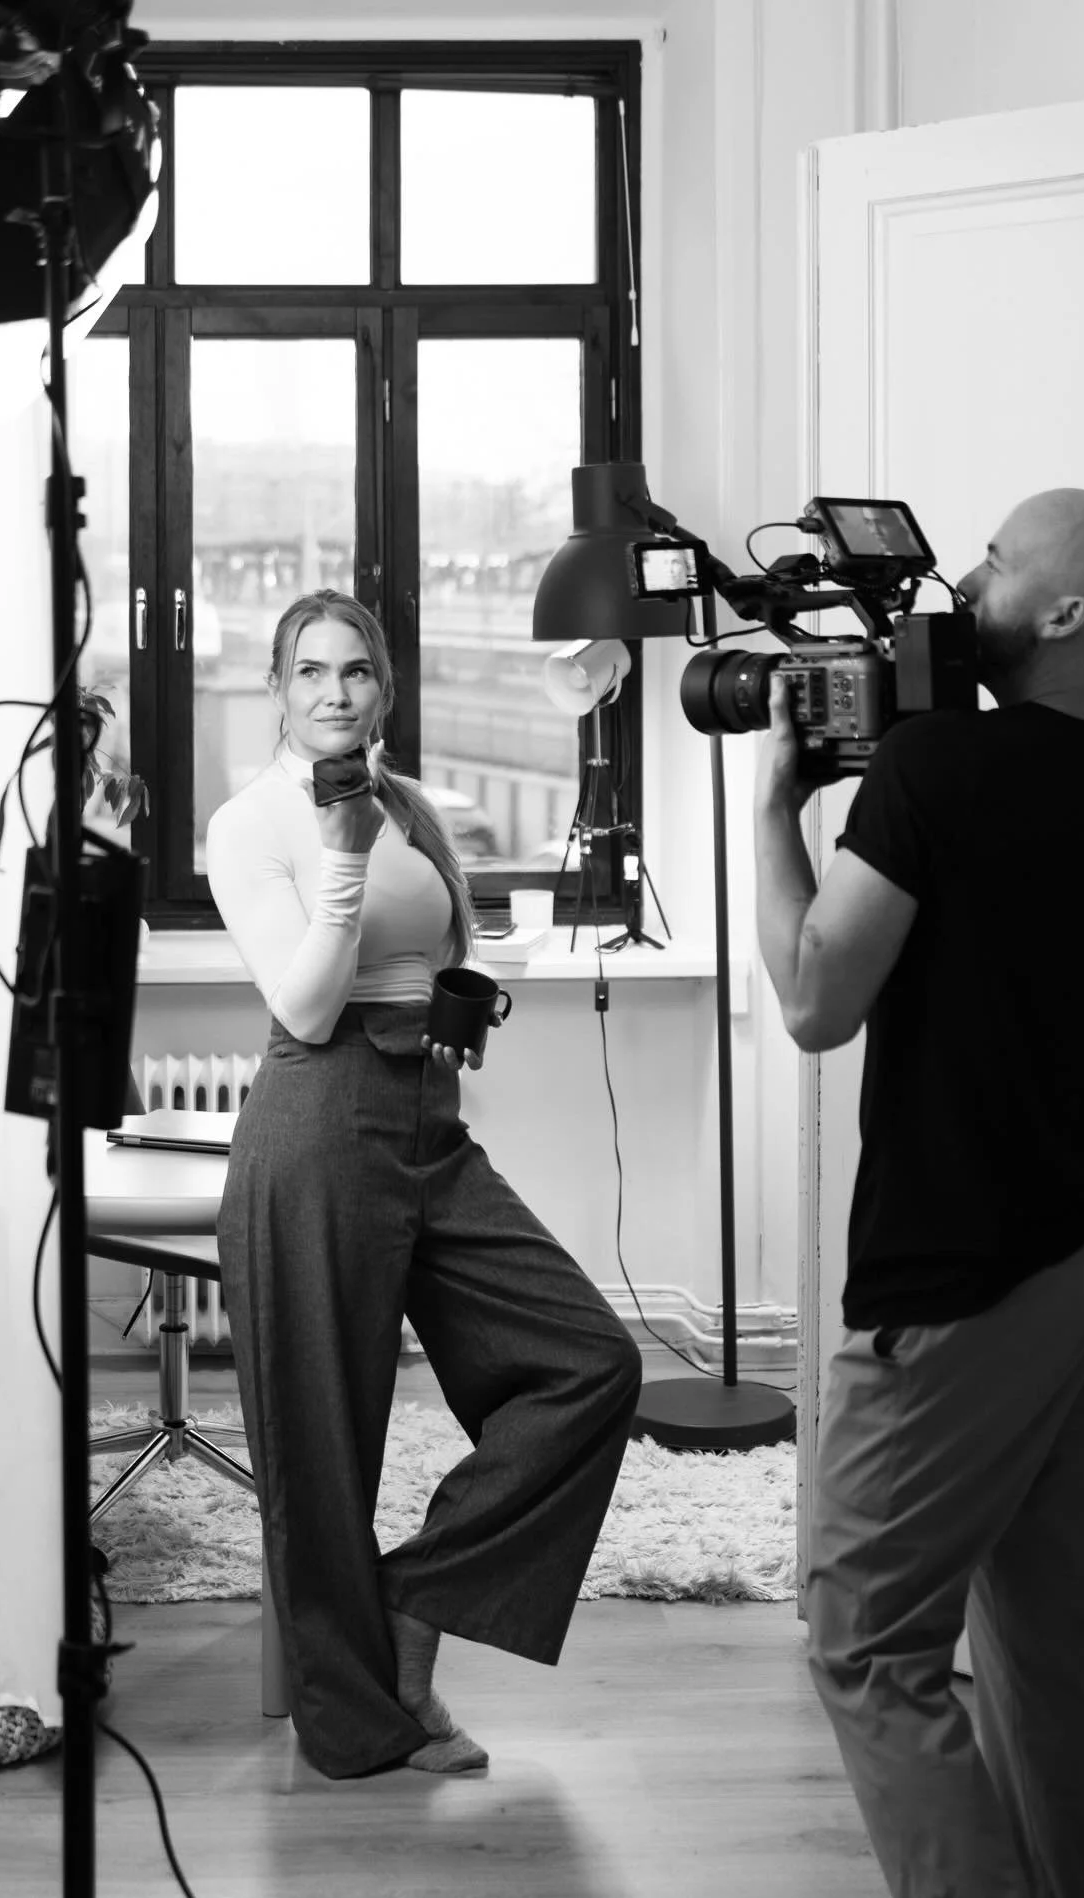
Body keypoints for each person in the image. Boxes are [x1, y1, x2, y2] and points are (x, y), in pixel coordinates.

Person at [752, 488, 1084, 1898]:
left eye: (993, 561)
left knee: (866, 1645)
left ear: (1063, 614)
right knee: (1044, 1631)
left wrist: (774, 813)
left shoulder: (937, 768)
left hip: (964, 1276)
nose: (964, 581)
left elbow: (812, 998)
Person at [207, 587, 642, 1780]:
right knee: (323, 1439)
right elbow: (300, 1004)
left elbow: (431, 952)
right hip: (317, 1119)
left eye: (355, 672)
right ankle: (359, 1725)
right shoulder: (251, 824)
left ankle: (415, 1598)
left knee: (590, 1365)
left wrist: (462, 991)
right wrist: (342, 870)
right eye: (309, 673)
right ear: (279, 692)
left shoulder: (406, 805)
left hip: (426, 1116)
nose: (335, 693)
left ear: (385, 688)